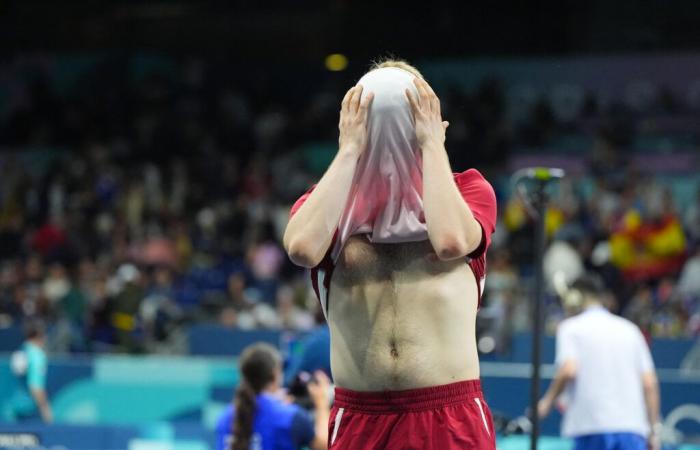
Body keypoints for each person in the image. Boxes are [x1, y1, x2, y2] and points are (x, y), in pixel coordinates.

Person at [284, 59, 497, 449]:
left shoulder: (469, 190)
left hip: (450, 417)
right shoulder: (330, 206)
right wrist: (349, 149)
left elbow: (449, 241)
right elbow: (302, 248)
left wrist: (431, 143)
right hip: (362, 419)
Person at [538, 275, 662, 450]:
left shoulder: (571, 328)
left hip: (592, 426)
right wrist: (654, 430)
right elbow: (649, 384)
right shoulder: (631, 330)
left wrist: (547, 402)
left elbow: (568, 370)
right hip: (632, 429)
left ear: (574, 298)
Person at [215, 342, 331, 450]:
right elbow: (325, 445)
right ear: (275, 374)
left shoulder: (224, 418)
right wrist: (322, 404)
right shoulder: (291, 417)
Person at [5, 319, 53, 423]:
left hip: (12, 409)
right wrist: (45, 409)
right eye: (44, 335)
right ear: (39, 335)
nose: (46, 338)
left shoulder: (20, 351)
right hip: (29, 412)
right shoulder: (36, 355)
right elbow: (35, 386)